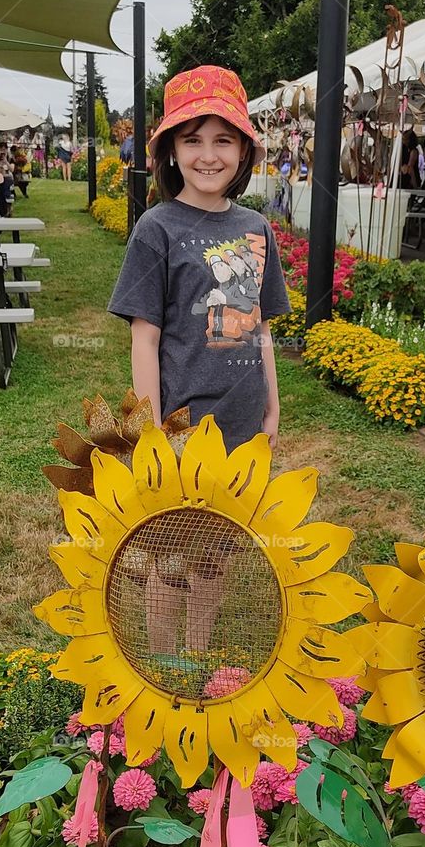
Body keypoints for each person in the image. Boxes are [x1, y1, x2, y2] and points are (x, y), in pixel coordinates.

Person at [108, 64, 290, 657]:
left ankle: (196, 656)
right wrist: (150, 428)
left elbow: (259, 325)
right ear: (169, 151)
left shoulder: (257, 228)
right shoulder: (156, 229)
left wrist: (271, 403)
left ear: (243, 150)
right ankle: (163, 663)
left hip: (238, 426)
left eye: (223, 140)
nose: (208, 155)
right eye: (193, 140)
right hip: (180, 427)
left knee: (215, 554)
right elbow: (145, 338)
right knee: (171, 556)